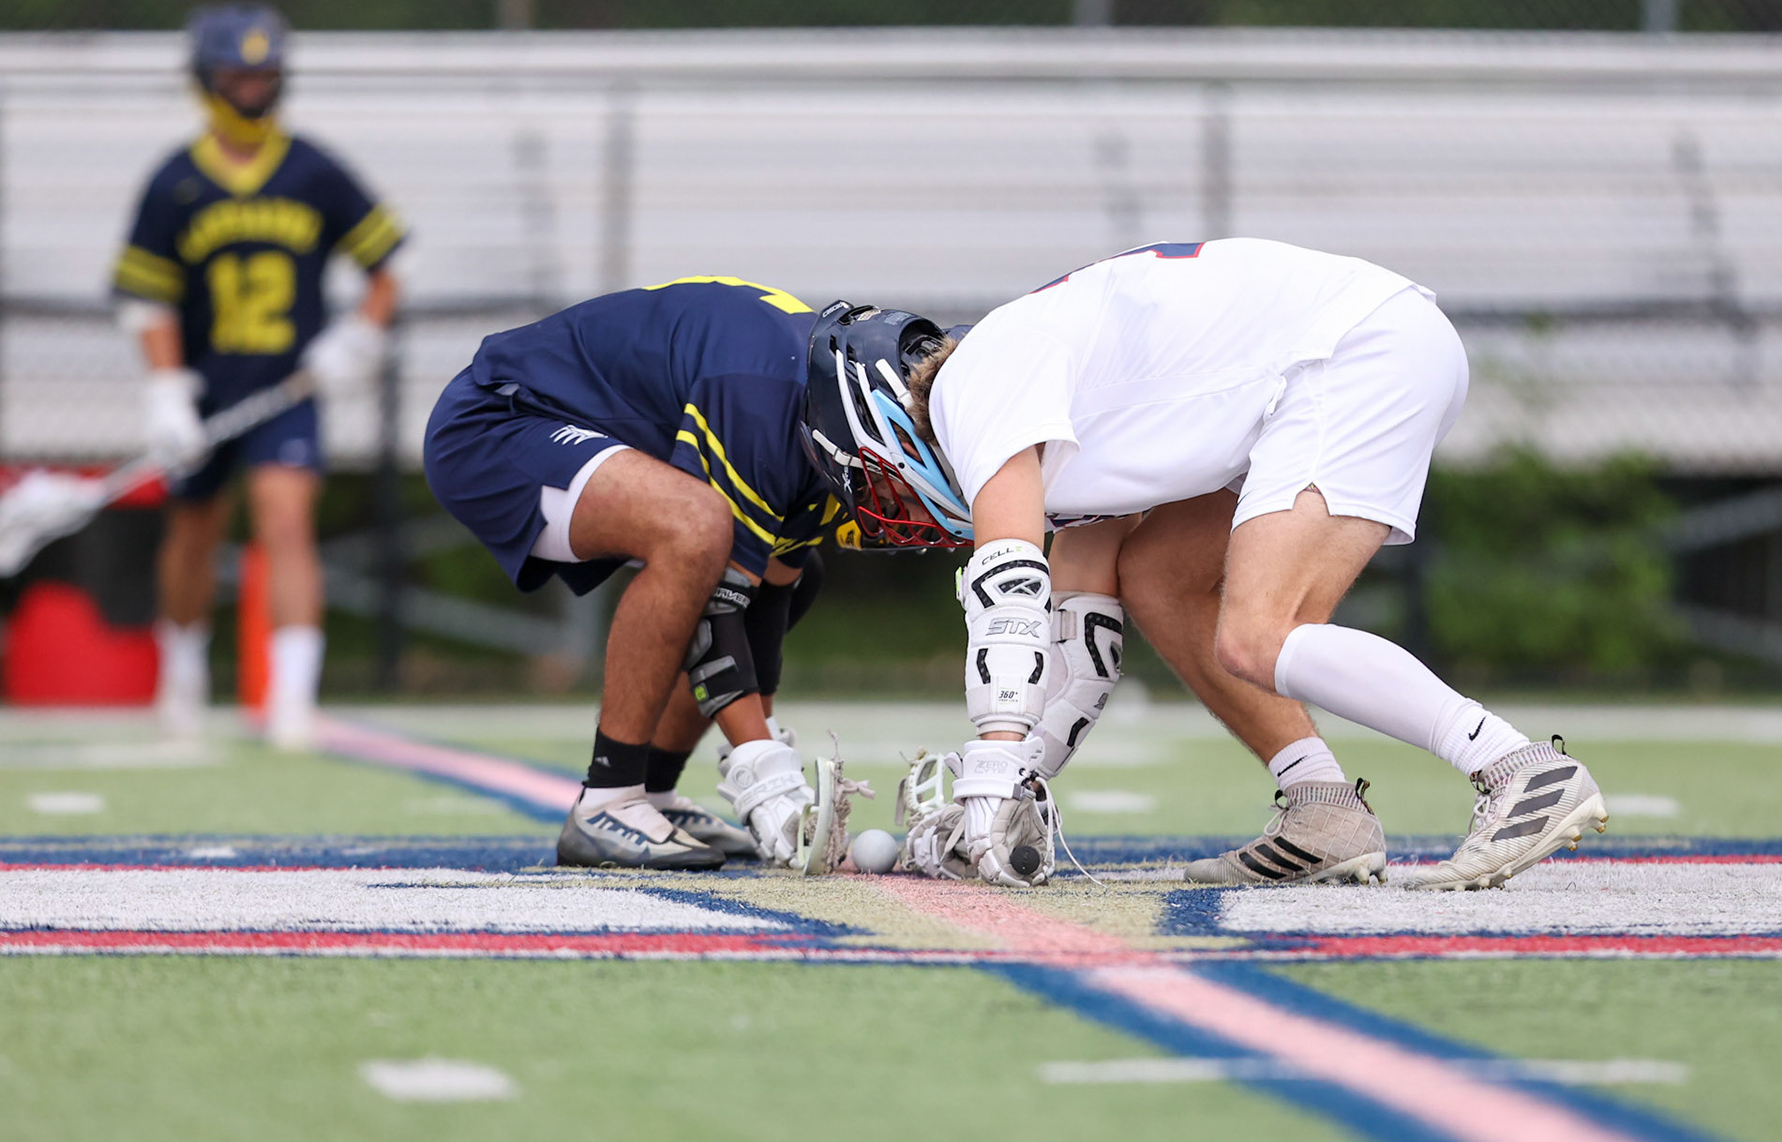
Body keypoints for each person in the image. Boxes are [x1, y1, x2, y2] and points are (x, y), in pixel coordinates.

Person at [802, 238, 1609, 890]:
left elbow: (1010, 597)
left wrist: (988, 766)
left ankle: (1516, 766)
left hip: (1352, 350)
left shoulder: (968, 393)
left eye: (873, 481)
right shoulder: (1049, 414)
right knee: (1160, 577)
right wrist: (1017, 781)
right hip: (1331, 356)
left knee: (1261, 633)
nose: (892, 509)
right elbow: (1082, 654)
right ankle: (1321, 807)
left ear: (885, 415)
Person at [423, 276, 845, 871]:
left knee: (795, 572)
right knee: (694, 527)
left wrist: (764, 736)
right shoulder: (762, 391)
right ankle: (607, 801)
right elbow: (721, 605)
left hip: (564, 422)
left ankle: (650, 792)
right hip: (497, 420)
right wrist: (765, 769)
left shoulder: (815, 401)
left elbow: (769, 596)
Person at [111, 4, 403, 749]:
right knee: (193, 533)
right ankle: (179, 675)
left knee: (285, 519)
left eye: (264, 74)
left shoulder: (313, 169)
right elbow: (146, 296)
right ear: (207, 80)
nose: (252, 88)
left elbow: (387, 267)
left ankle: (293, 699)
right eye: (238, 75)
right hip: (206, 390)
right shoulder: (176, 181)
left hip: (286, 388)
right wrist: (166, 387)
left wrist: (358, 338)